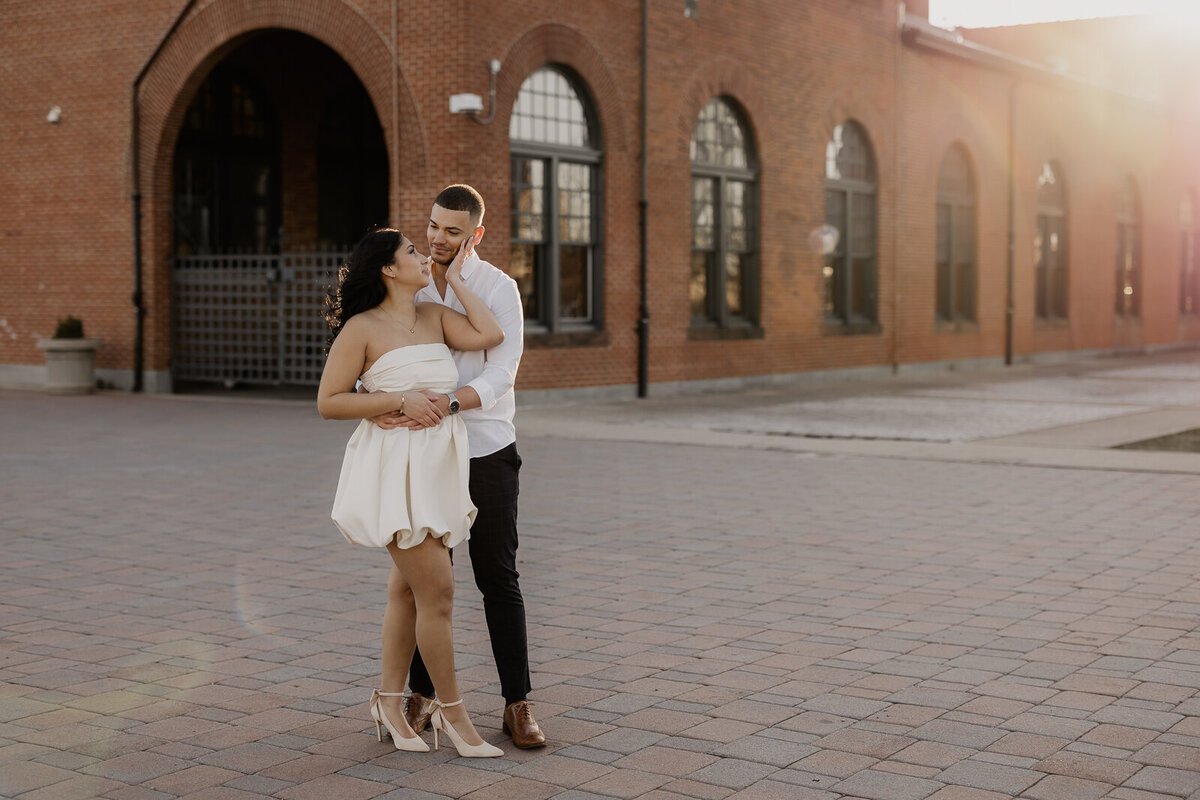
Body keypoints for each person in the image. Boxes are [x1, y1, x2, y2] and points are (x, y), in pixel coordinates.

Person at [317, 227, 505, 758]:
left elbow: (489, 336)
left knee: (405, 591)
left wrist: (455, 277)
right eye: (414, 252)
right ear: (388, 268)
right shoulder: (361, 328)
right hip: (391, 470)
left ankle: (388, 702)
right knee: (439, 592)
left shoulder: (435, 316)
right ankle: (454, 716)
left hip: (436, 471)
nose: (425, 256)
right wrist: (394, 398)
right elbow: (328, 401)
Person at [371, 184, 546, 748]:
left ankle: (517, 703)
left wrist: (449, 402)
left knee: (498, 576)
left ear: (476, 233)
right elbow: (378, 354)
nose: (437, 239)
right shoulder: (411, 284)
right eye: (432, 226)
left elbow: (502, 373)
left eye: (452, 230)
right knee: (427, 584)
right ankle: (421, 698)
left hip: (485, 447)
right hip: (425, 455)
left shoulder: (500, 289)